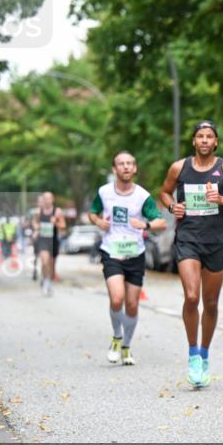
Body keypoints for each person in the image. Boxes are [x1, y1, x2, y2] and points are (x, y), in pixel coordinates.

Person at [159, 120, 223, 387]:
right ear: (193, 141)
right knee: (191, 296)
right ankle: (192, 355)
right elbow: (165, 192)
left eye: (209, 136)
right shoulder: (179, 167)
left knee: (210, 303)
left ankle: (205, 353)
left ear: (215, 142)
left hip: (215, 242)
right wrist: (172, 206)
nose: (204, 140)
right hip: (188, 239)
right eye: (199, 136)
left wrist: (222, 200)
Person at [89, 151, 167, 366]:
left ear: (135, 169)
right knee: (117, 298)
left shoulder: (142, 196)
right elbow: (92, 212)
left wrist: (146, 225)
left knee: (132, 304)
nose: (125, 167)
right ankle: (116, 337)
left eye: (129, 164)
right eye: (121, 164)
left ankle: (126, 346)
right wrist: (98, 221)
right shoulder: (104, 193)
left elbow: (161, 223)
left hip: (135, 254)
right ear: (114, 169)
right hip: (111, 251)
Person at [32, 192, 65, 296]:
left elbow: (63, 225)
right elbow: (34, 222)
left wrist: (55, 222)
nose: (47, 201)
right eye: (45, 198)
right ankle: (46, 281)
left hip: (54, 240)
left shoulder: (57, 212)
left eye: (49, 198)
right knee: (44, 261)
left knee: (51, 264)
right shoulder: (38, 211)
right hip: (43, 240)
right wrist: (36, 227)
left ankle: (48, 280)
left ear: (52, 199)